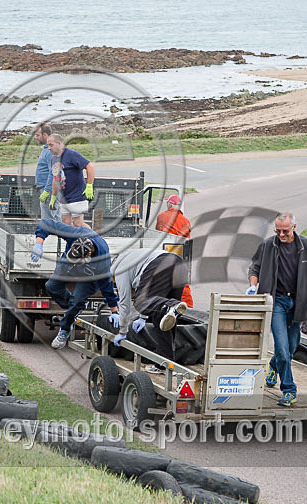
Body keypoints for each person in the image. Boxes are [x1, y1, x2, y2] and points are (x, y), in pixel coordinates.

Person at [246, 212, 307, 406]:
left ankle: (273, 366)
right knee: (281, 346)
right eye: (278, 231)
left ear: (294, 228)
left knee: (290, 348)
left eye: (285, 231)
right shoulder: (268, 246)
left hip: (298, 302)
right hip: (276, 301)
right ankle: (289, 389)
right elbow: (254, 268)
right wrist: (253, 285)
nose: (281, 235)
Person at [30, 219, 119, 349]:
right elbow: (46, 224)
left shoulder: (101, 262)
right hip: (67, 264)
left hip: (89, 276)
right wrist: (39, 243)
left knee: (77, 300)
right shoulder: (74, 234)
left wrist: (114, 310)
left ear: (88, 254)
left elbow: (107, 288)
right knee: (51, 287)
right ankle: (73, 310)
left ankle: (65, 329)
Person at [110, 248, 190, 361]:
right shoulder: (132, 258)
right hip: (179, 264)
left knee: (140, 302)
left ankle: (169, 305)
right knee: (164, 319)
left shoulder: (119, 269)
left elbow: (124, 302)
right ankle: (164, 362)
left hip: (161, 264)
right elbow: (150, 293)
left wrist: (122, 332)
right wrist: (143, 318)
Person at [46, 134, 95, 228]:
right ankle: (73, 243)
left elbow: (90, 166)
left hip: (77, 196)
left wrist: (89, 186)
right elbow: (55, 178)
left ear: (59, 143)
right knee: (66, 225)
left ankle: (96, 240)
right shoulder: (53, 159)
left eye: (51, 145)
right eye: (48, 145)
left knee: (78, 224)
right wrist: (53, 196)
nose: (49, 148)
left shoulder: (71, 154)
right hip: (64, 198)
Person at [155, 194, 194, 307]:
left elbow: (158, 235)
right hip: (180, 255)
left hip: (164, 254)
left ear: (170, 204)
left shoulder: (162, 216)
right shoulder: (186, 221)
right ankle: (188, 308)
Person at [33, 123, 58, 220]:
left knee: (48, 220)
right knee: (56, 219)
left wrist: (47, 190)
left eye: (38, 135)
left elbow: (53, 172)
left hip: (49, 191)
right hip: (44, 188)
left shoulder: (50, 151)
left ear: (45, 135)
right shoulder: (45, 149)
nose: (36, 137)